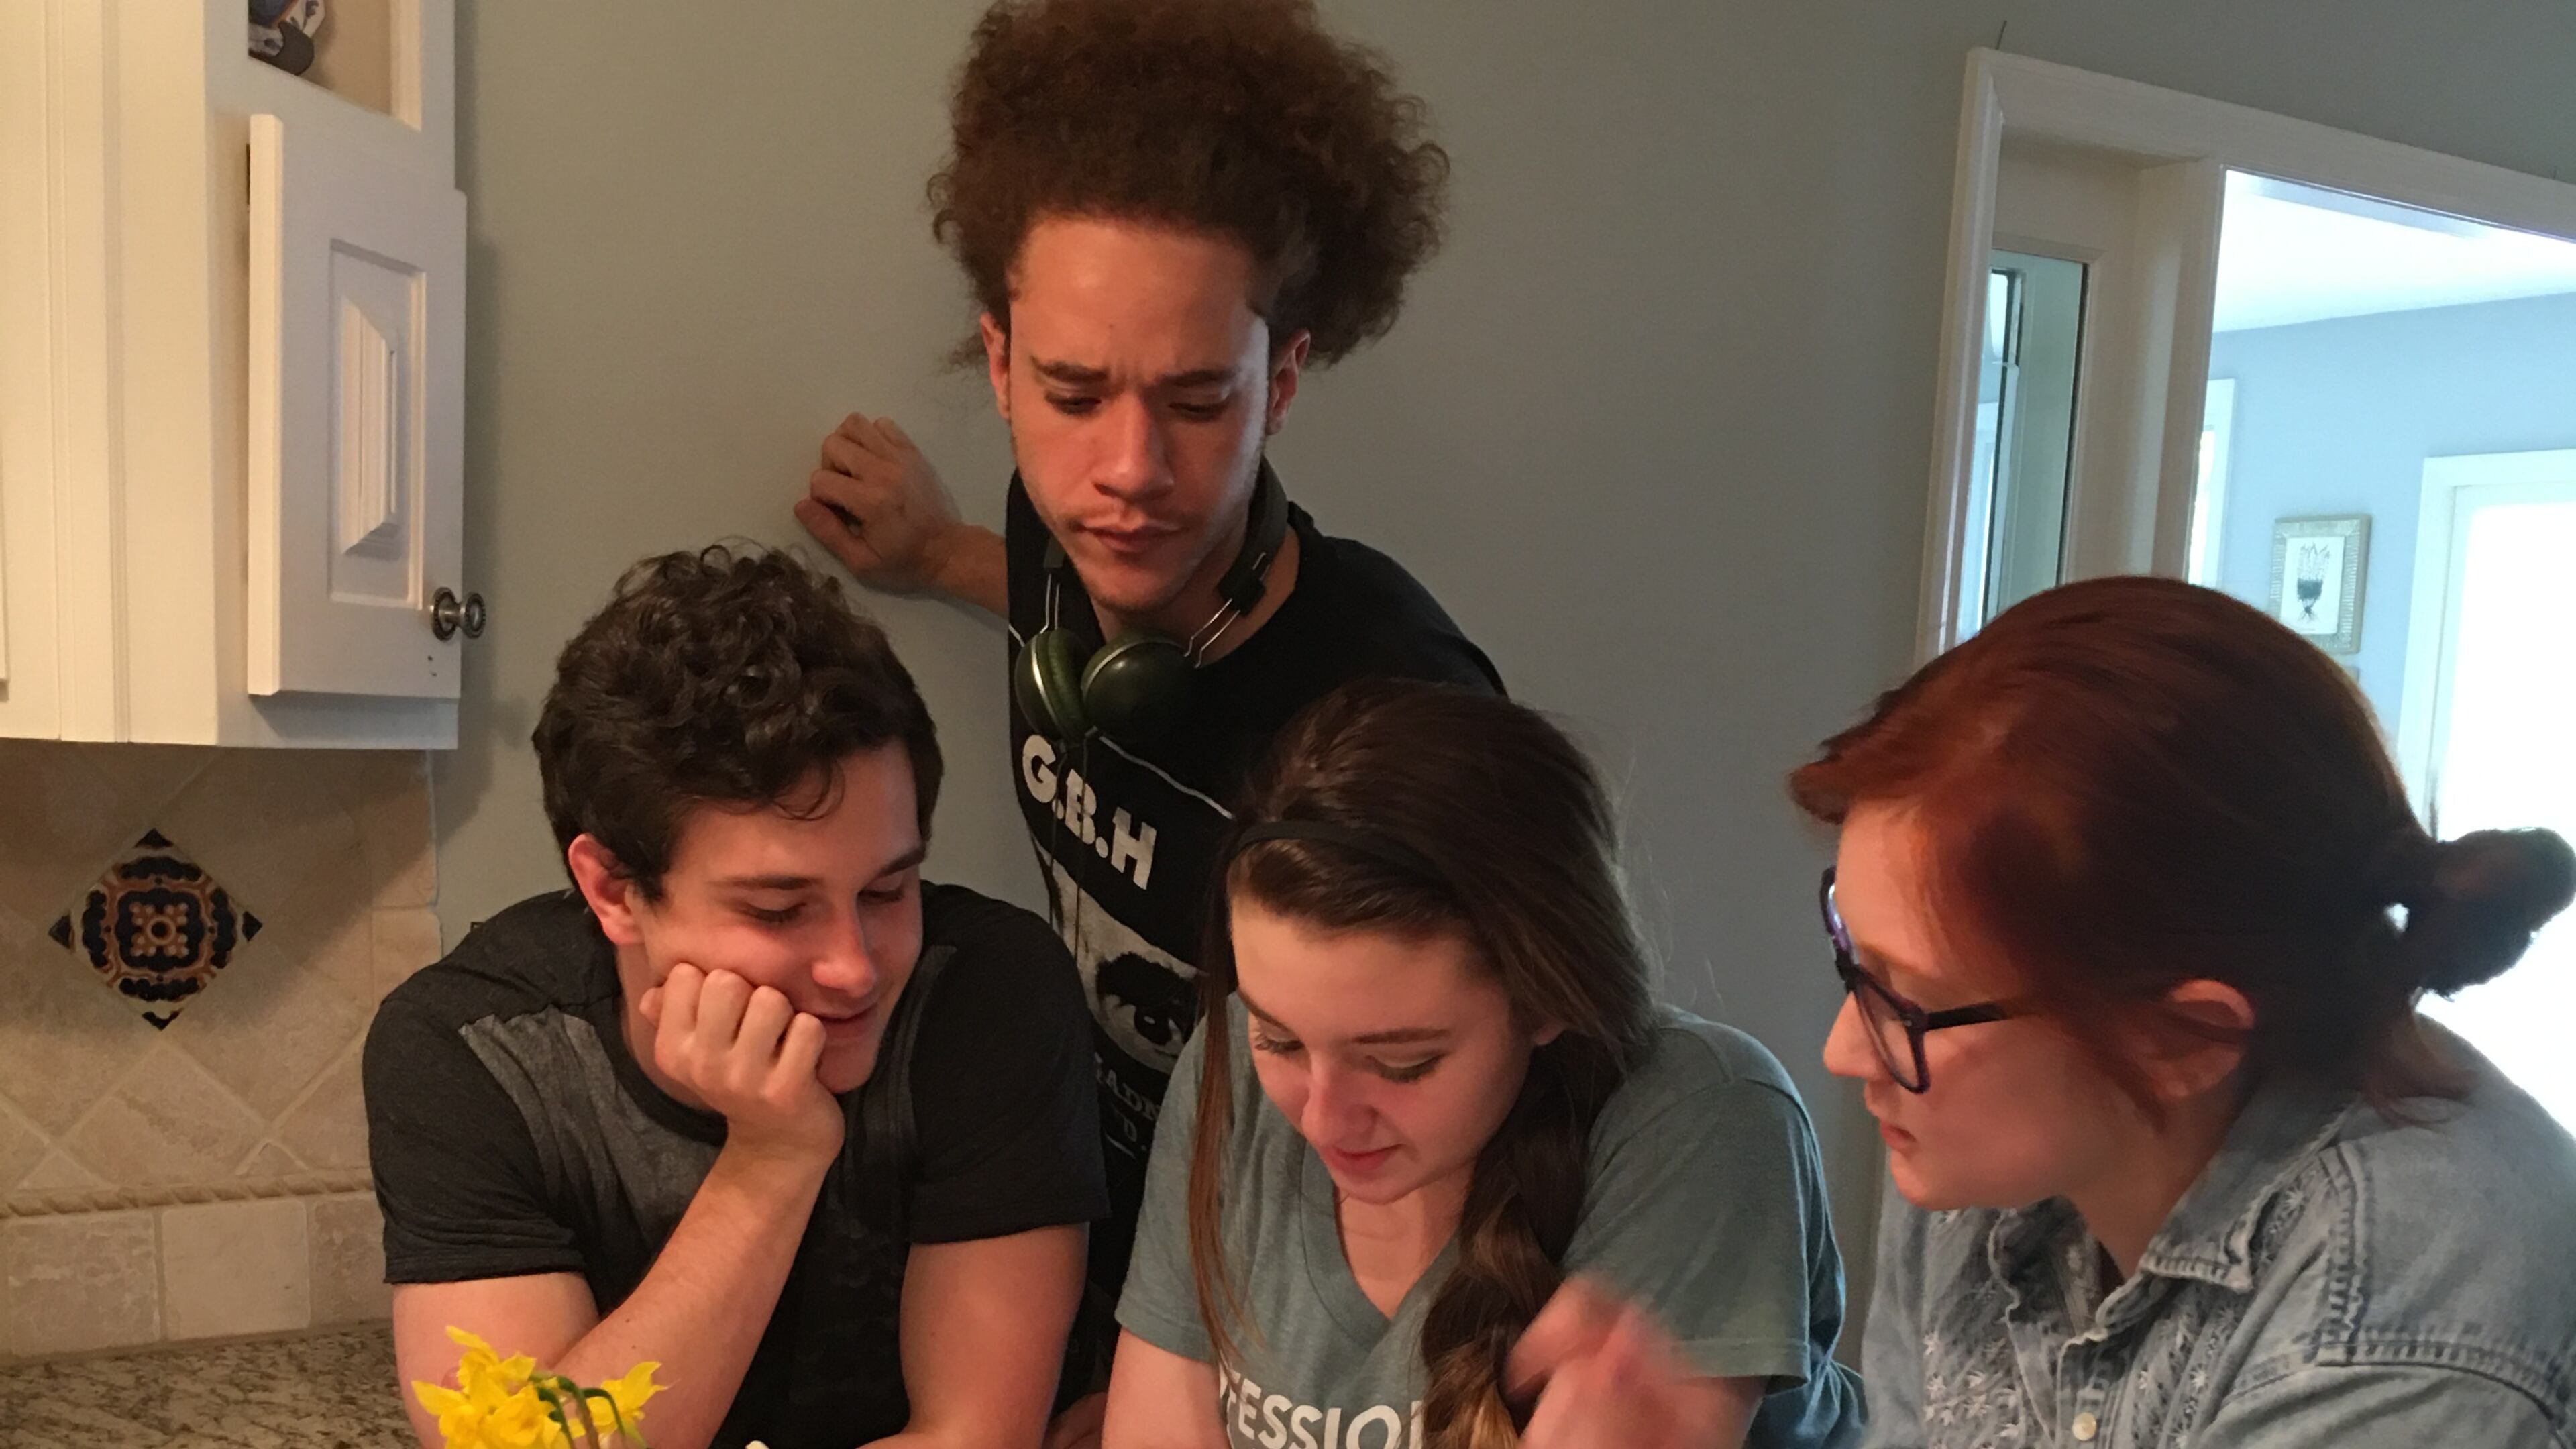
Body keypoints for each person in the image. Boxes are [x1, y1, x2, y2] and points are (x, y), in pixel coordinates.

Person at [796, 0, 1502, 1397]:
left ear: (1282, 379)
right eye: (1070, 391)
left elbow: (1495, 1110)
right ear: (999, 364)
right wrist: (938, 553)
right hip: (1093, 1245)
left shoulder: (1399, 706)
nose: (1126, 471)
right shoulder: (1059, 551)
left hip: (1287, 1330)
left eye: (1196, 400)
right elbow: (1076, 592)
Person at [1792, 575, 2576, 1448]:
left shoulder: (2404, 1295)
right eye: (1857, 964)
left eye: (1917, 1002)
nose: (1846, 1052)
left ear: (2182, 1036)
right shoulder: (1977, 1145)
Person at [364, 547, 1107, 1449]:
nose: (855, 969)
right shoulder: (472, 1050)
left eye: (887, 891)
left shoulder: (991, 993)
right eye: (778, 909)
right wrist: (769, 1162)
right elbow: (519, 1446)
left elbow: (975, 1434)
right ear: (611, 890)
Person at [1104, 680, 1864, 1449]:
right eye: (1280, 1040)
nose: (1325, 1116)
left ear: (1546, 1002)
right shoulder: (1228, 1064)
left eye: (1402, 1063)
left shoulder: (1708, 1118)